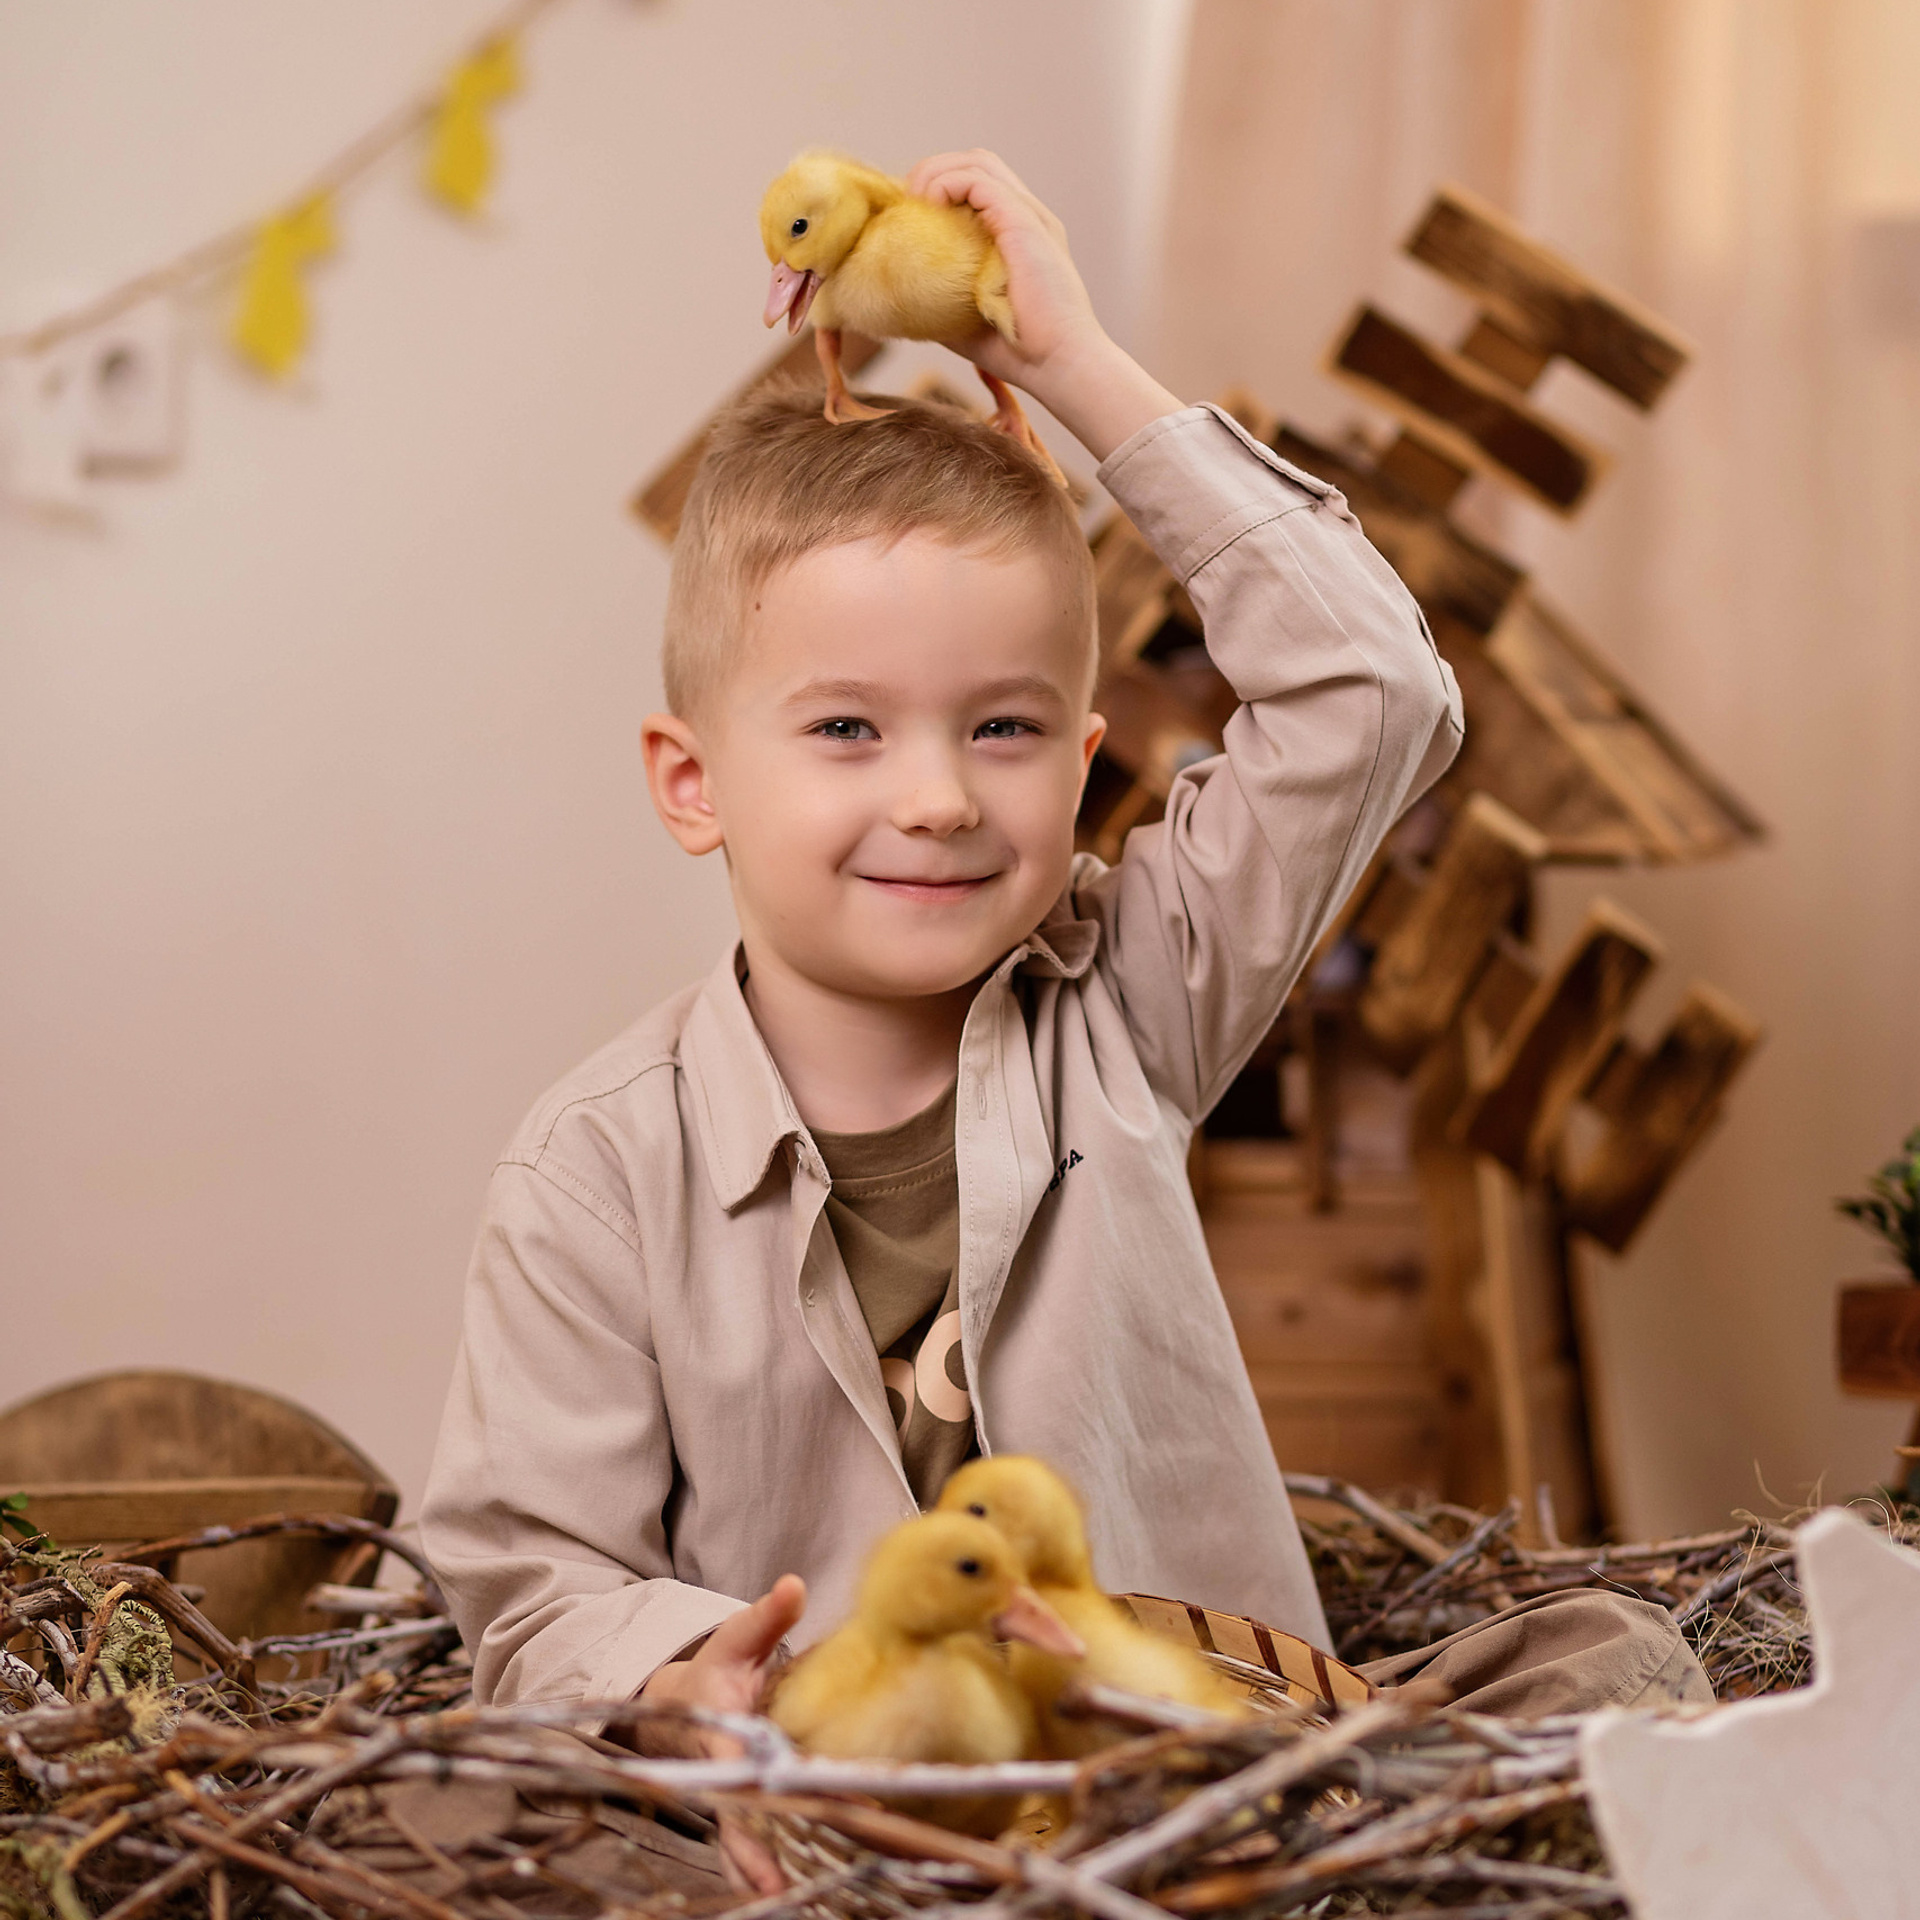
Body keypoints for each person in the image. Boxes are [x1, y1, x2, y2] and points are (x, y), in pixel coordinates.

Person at [419, 150, 1464, 1745]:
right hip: (847, 1831)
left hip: (1190, 1807)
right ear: (692, 785)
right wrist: (681, 1679)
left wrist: (1074, 372)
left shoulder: (1133, 1003)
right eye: (845, 727)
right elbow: (533, 1586)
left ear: (1084, 754)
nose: (938, 797)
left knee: (1593, 1668)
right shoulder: (592, 1180)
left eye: (1004, 728)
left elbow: (1374, 695)